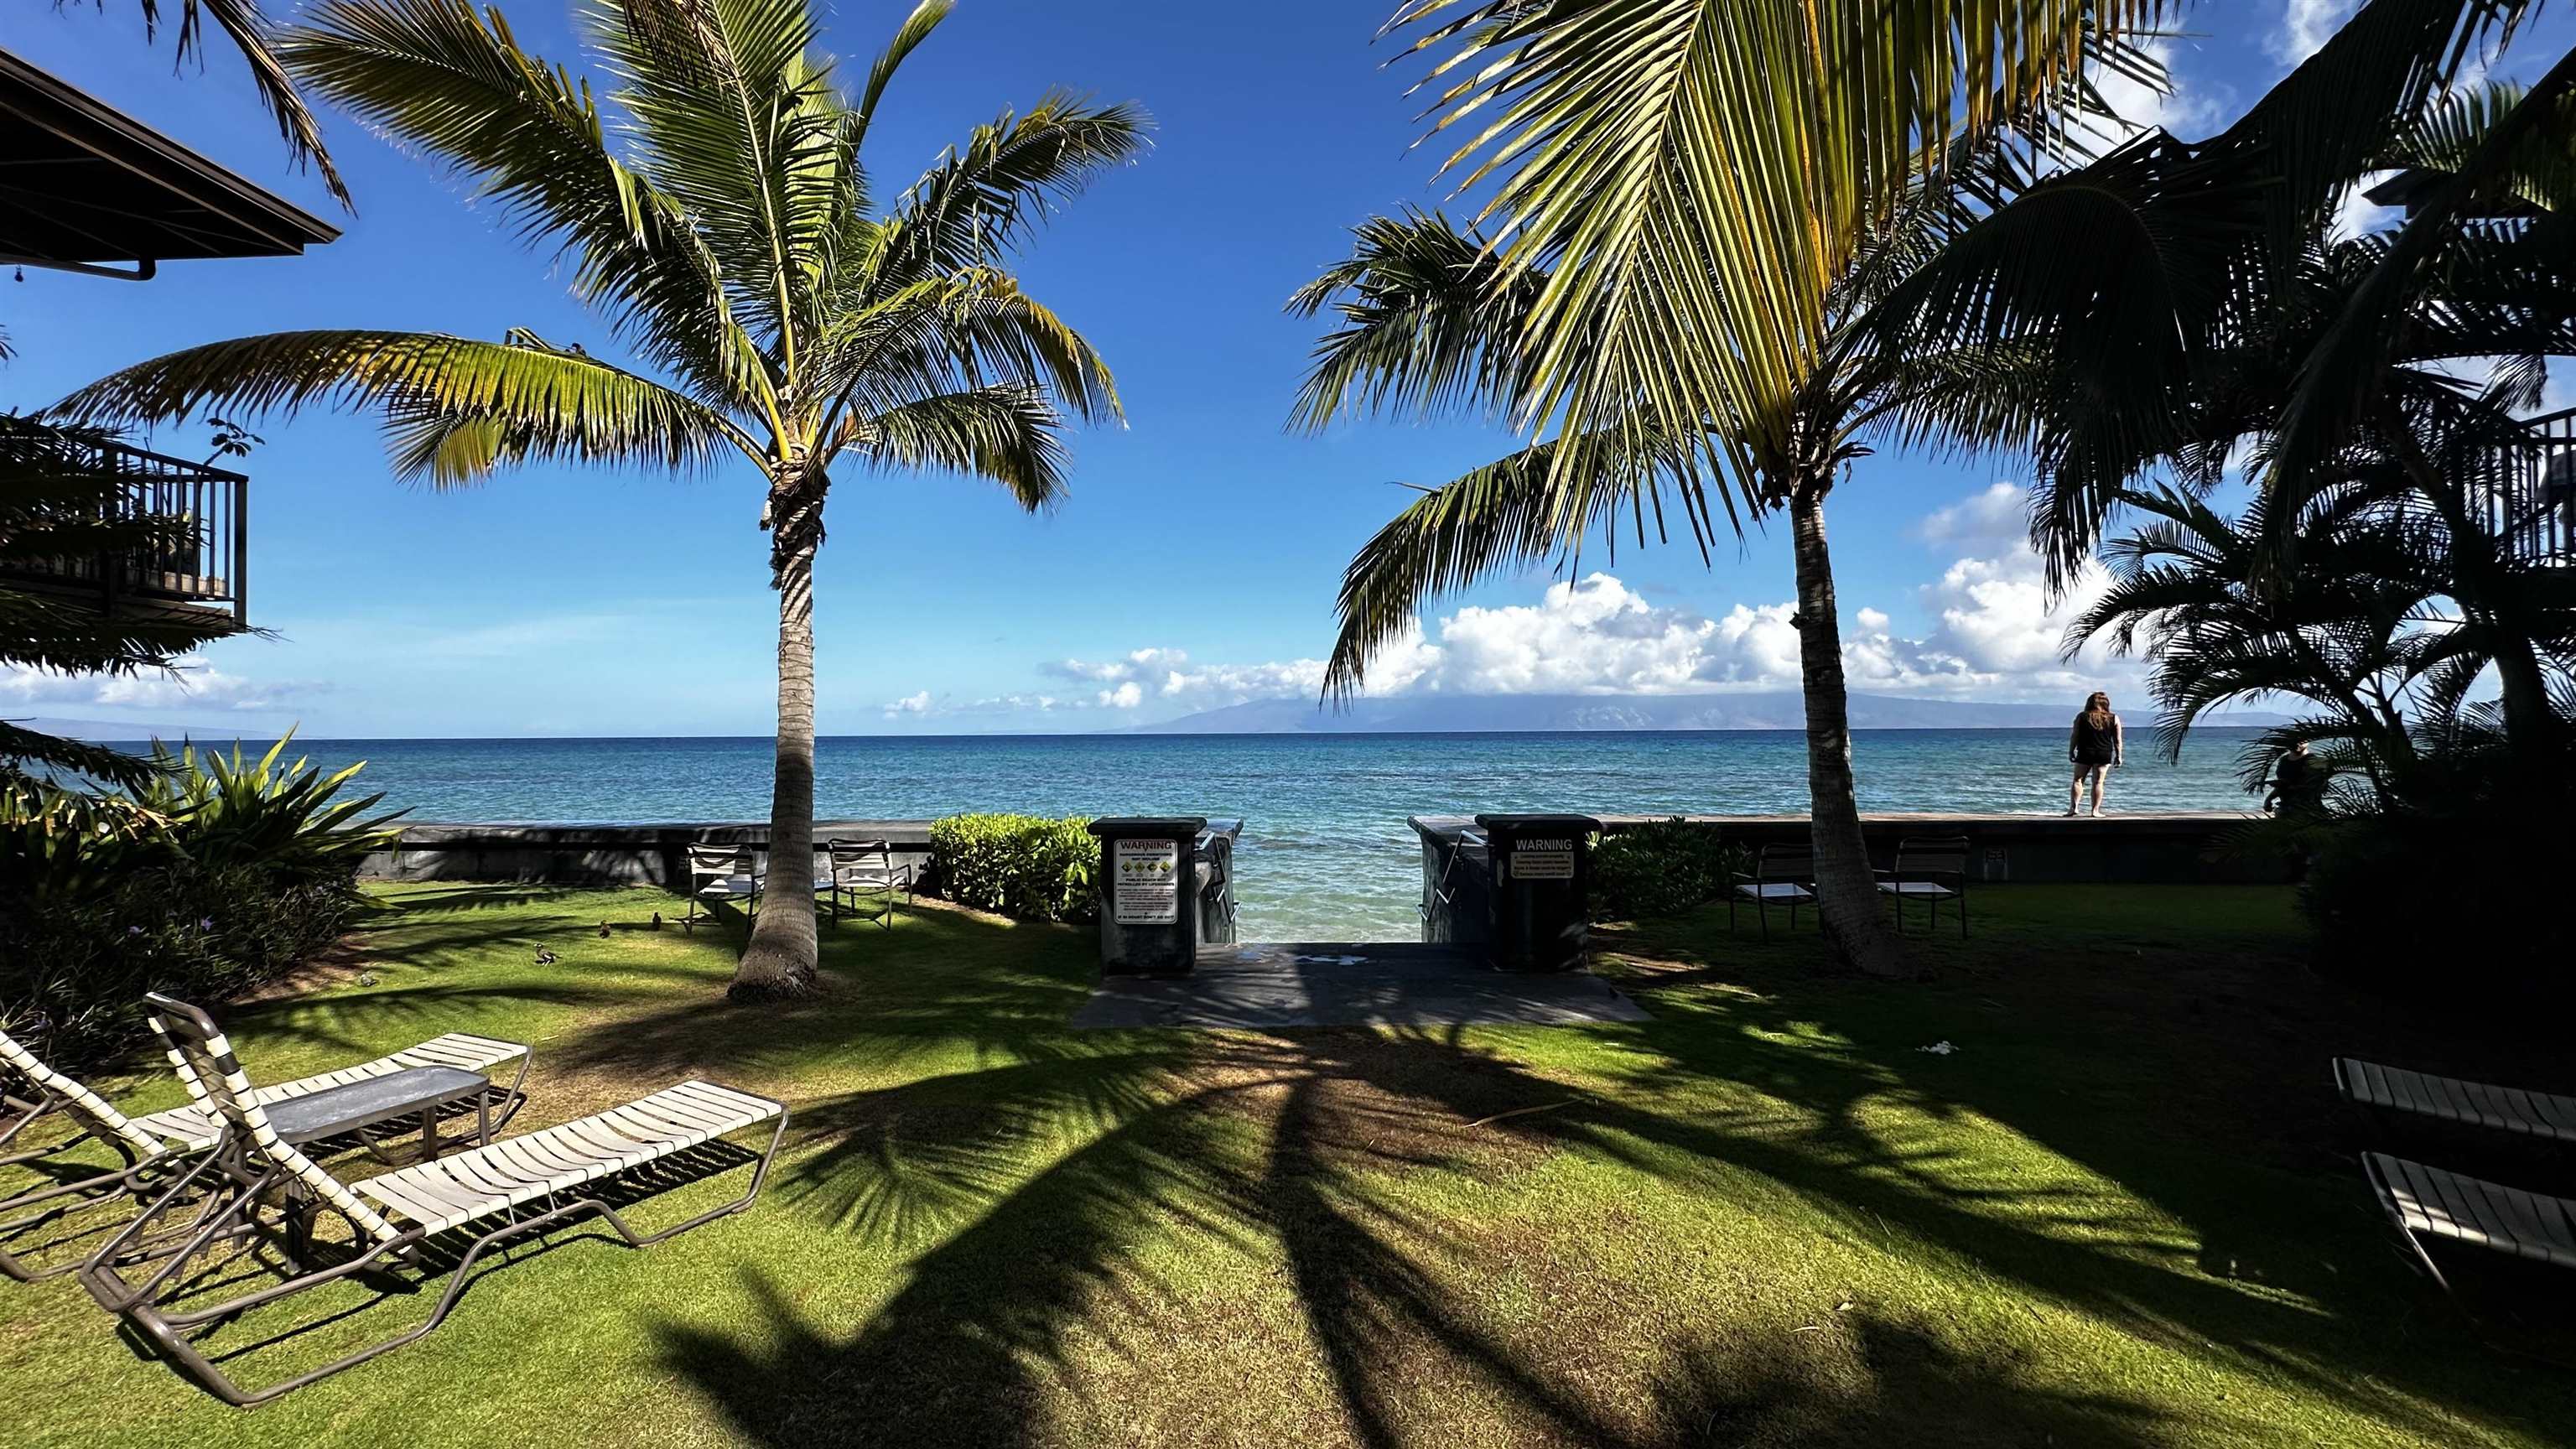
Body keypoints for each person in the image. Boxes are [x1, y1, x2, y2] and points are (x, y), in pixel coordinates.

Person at [2065, 691, 2123, 816]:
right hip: (2104, 753)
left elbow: (2075, 736)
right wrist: (2119, 756)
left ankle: (2074, 808)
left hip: (2085, 752)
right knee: (2098, 782)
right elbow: (2117, 740)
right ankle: (2095, 811)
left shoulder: (2082, 716)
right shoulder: (2114, 718)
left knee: (2078, 780)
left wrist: (2071, 751)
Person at [2264, 740, 2327, 815]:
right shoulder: (2284, 761)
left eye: (2302, 741)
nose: (2298, 743)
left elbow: (2316, 787)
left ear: (2307, 742)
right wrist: (2269, 799)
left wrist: (2287, 785)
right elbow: (2282, 785)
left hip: (2307, 809)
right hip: (2285, 807)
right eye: (2295, 740)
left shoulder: (2314, 762)